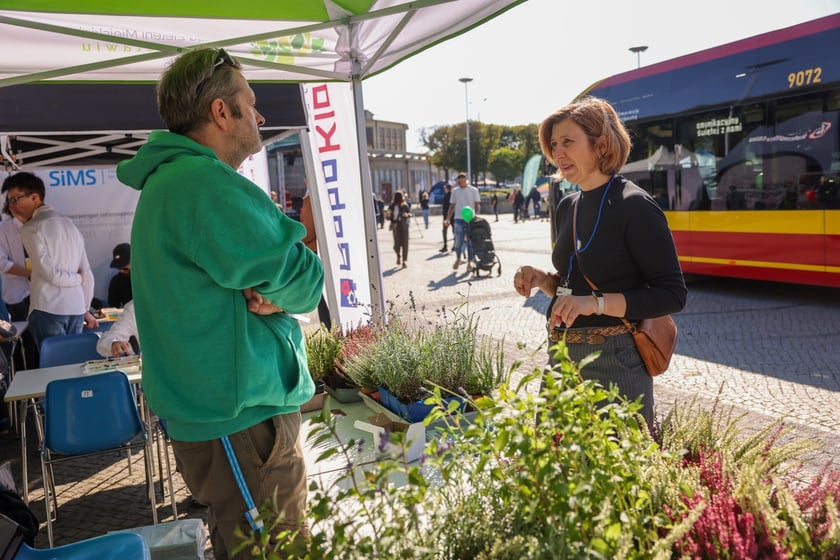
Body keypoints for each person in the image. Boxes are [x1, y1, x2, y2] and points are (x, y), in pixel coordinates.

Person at [116, 47, 324, 560]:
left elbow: (276, 281)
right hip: (239, 420)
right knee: (277, 551)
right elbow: (304, 282)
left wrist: (273, 289)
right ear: (220, 112)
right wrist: (288, 279)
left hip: (226, 415)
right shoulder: (203, 183)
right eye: (250, 103)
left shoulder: (175, 181)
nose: (260, 115)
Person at [513, 96, 687, 428]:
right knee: (552, 464)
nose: (558, 152)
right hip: (561, 355)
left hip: (615, 361)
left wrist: (594, 303)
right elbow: (572, 286)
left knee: (618, 474)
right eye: (553, 144)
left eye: (568, 141)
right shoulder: (568, 205)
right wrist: (541, 279)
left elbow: (672, 294)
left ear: (601, 145)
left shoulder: (635, 206)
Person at [2, 172, 97, 353]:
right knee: (73, 367)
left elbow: (51, 275)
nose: (12, 207)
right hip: (75, 308)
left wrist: (78, 280)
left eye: (15, 200)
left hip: (48, 307)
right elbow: (87, 273)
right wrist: (84, 306)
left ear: (35, 197)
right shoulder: (69, 224)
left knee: (55, 369)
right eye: (9, 202)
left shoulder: (31, 228)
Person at [299, 191, 332, 329]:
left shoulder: (310, 200)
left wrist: (298, 241)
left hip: (315, 250)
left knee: (323, 296)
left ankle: (330, 329)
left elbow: (309, 230)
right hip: (326, 250)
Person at [443, 173, 480, 272]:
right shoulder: (455, 191)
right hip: (458, 219)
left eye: (461, 181)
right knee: (458, 241)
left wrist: (476, 214)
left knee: (470, 242)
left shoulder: (473, 190)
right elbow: (451, 206)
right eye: (458, 181)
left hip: (470, 219)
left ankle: (470, 262)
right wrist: (447, 218)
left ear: (465, 180)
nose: (460, 183)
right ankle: (458, 258)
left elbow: (477, 204)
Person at [389, 190, 411, 268]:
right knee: (396, 244)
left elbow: (409, 213)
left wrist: (407, 214)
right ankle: (398, 255)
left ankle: (404, 261)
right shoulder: (392, 206)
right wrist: (388, 216)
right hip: (395, 226)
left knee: (405, 244)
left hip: (404, 226)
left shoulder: (405, 205)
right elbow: (388, 216)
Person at [107, 243, 133, 308]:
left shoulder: (145, 280)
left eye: (124, 267)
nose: (121, 270)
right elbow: (113, 305)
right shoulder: (116, 281)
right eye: (119, 268)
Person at [439, 183, 452, 253]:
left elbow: (446, 207)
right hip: (453, 215)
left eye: (445, 188)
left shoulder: (447, 196)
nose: (444, 190)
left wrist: (446, 217)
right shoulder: (452, 195)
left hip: (447, 216)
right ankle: (454, 245)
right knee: (454, 231)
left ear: (447, 189)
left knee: (444, 231)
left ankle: (445, 246)